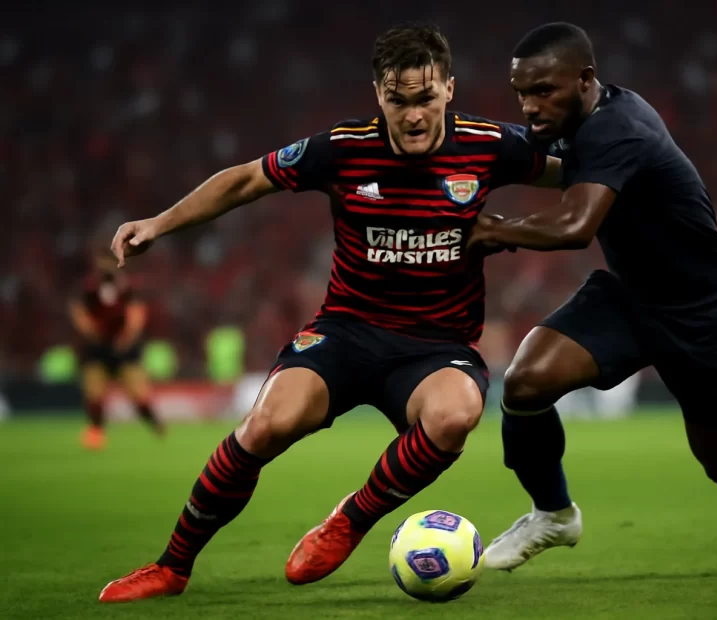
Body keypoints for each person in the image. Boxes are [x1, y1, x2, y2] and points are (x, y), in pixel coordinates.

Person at [98, 22, 557, 603]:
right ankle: (172, 566)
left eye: (424, 98)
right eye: (398, 100)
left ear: (448, 89)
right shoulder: (343, 149)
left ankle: (350, 519)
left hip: (437, 347)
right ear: (378, 95)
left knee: (455, 415)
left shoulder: (490, 144)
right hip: (344, 333)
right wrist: (157, 224)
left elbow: (583, 172)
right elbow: (243, 182)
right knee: (265, 424)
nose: (413, 115)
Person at [468, 22, 717, 577]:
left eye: (543, 90)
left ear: (585, 79)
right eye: (522, 92)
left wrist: (493, 230)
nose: (530, 106)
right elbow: (522, 154)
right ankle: (553, 513)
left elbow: (576, 224)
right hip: (632, 300)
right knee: (525, 383)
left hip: (705, 310)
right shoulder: (570, 120)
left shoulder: (620, 127)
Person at [69, 247, 162, 450]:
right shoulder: (89, 287)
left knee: (139, 396)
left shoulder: (127, 287)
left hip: (124, 348)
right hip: (98, 348)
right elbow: (78, 312)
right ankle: (95, 432)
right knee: (93, 392)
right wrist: (91, 332)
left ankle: (155, 424)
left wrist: (126, 338)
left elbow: (137, 314)